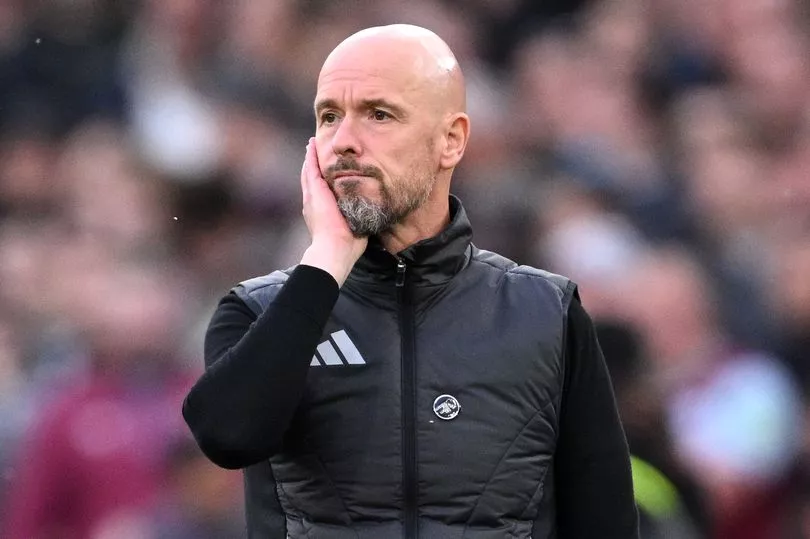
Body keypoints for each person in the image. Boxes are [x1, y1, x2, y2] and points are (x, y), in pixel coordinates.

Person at [182, 24, 638, 539]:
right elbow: (227, 437)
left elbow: (607, 524)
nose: (344, 141)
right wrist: (326, 261)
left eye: (378, 114)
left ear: (451, 140)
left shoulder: (546, 314)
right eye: (329, 117)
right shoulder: (258, 311)